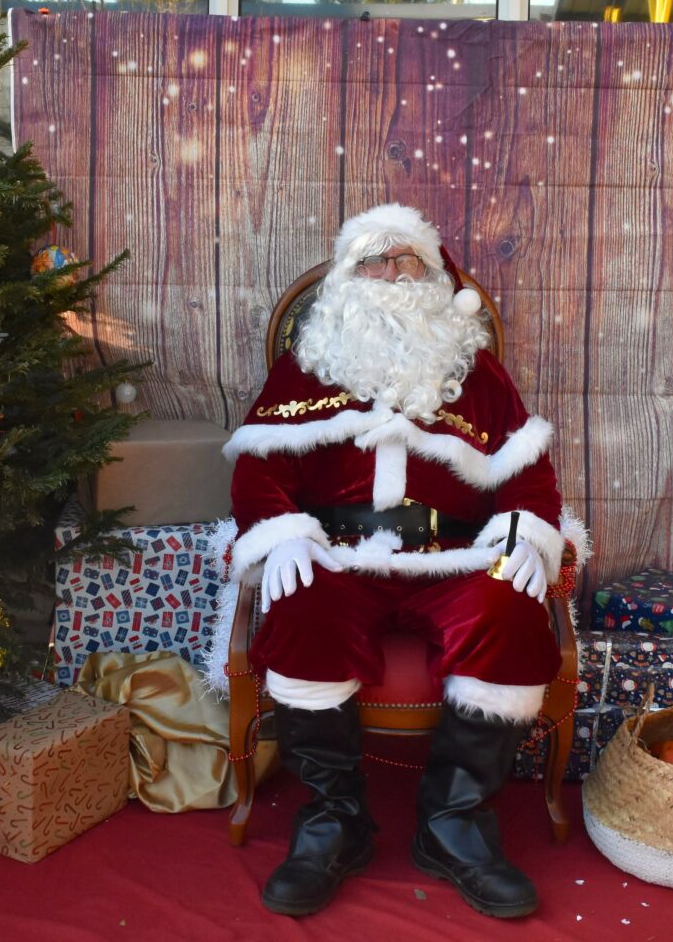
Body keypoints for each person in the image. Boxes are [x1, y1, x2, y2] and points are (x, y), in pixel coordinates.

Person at [225, 203, 582, 920]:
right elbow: (258, 468)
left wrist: (521, 533)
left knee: (509, 608)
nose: (389, 274)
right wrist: (284, 532)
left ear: (433, 274)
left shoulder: (477, 374)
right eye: (372, 261)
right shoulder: (305, 369)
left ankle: (453, 824)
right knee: (299, 605)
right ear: (346, 278)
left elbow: (528, 474)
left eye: (406, 260)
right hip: (338, 553)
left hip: (450, 555)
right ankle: (335, 820)